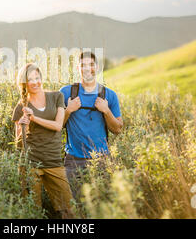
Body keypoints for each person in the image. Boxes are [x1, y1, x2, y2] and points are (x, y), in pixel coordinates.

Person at [12, 63, 75, 218]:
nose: (35, 82)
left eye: (37, 77)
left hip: (53, 160)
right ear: (24, 83)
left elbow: (58, 126)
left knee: (69, 210)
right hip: (30, 164)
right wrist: (23, 126)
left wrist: (34, 118)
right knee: (32, 211)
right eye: (30, 79)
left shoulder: (56, 97)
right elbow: (17, 142)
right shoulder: (21, 107)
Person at [59, 51, 123, 198]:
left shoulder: (109, 95)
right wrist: (68, 110)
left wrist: (106, 111)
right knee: (73, 207)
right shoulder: (66, 92)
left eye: (91, 65)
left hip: (102, 160)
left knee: (102, 205)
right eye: (83, 65)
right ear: (77, 68)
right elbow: (57, 126)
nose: (87, 68)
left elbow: (118, 129)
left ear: (97, 67)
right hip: (73, 161)